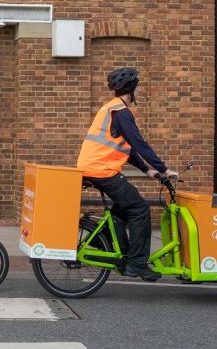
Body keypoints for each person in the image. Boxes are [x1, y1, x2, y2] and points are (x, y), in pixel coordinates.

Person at [76, 67, 178, 281]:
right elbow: (139, 144)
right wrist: (164, 169)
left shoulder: (112, 108)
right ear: (130, 89)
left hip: (95, 167)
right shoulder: (121, 112)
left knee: (124, 206)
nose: (139, 90)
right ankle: (136, 264)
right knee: (140, 209)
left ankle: (104, 239)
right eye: (137, 87)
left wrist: (147, 170)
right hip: (101, 170)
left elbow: (126, 148)